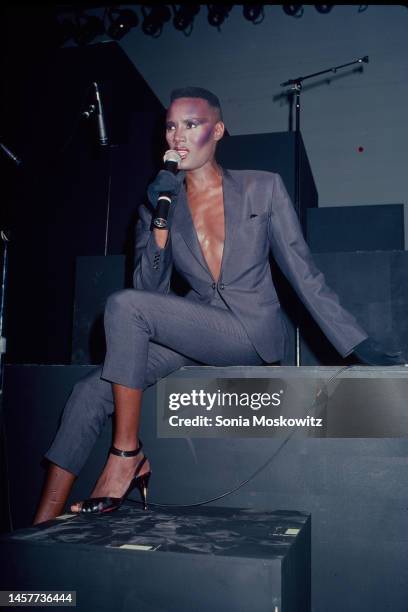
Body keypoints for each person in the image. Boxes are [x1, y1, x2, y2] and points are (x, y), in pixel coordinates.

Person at [33, 86, 406, 524]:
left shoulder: (262, 188)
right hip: (197, 329)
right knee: (87, 393)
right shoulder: (160, 202)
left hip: (250, 330)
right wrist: (160, 216)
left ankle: (126, 454)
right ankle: (40, 526)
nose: (178, 136)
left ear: (219, 129)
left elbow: (305, 275)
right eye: (171, 127)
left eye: (191, 124)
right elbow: (148, 288)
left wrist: (357, 344)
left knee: (123, 307)